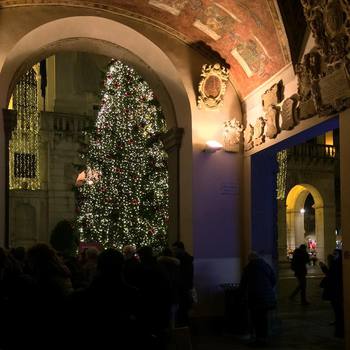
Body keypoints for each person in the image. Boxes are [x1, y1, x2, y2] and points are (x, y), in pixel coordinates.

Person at [239, 252, 276, 347]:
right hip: (267, 297)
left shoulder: (248, 268)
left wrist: (241, 296)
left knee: (256, 319)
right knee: (263, 319)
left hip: (255, 298)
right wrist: (268, 289)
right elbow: (273, 280)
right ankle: (264, 339)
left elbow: (243, 285)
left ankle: (259, 340)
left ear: (250, 259)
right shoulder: (266, 266)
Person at [172, 241, 194, 327]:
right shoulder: (186, 259)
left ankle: (184, 330)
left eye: (175, 249)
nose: (174, 251)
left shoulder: (183, 260)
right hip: (184, 288)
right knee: (183, 311)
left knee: (183, 310)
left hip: (183, 288)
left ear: (180, 249)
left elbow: (187, 276)